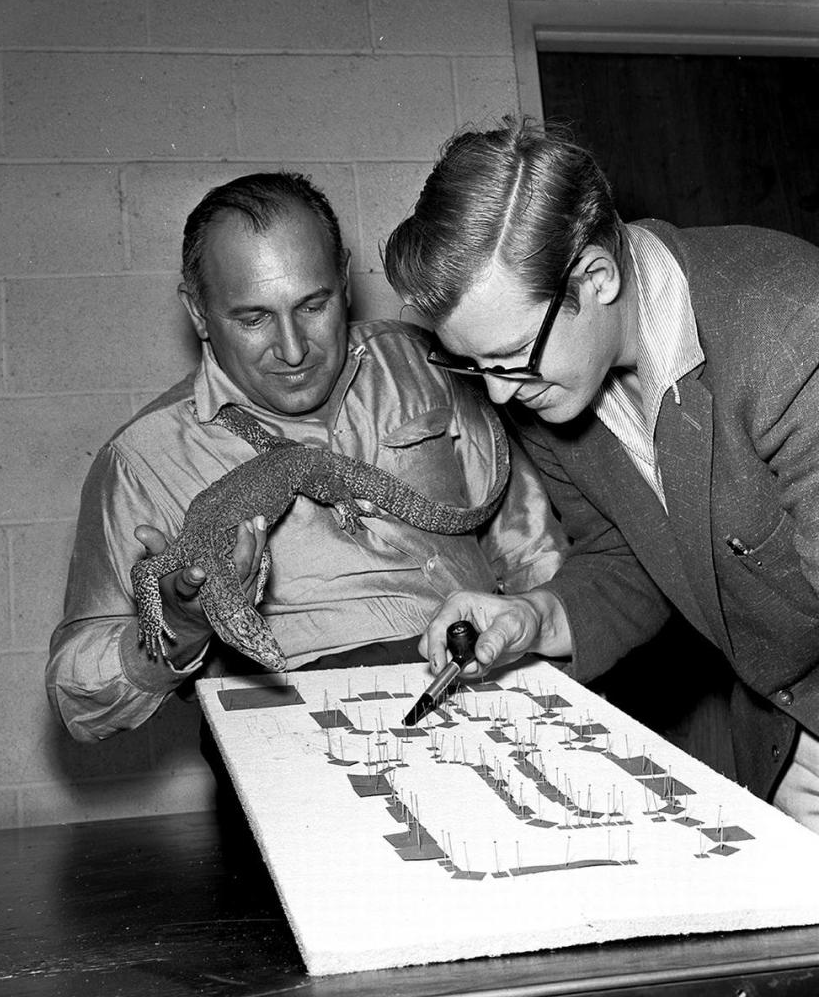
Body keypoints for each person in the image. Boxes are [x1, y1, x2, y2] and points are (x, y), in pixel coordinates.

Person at [382, 115, 819, 829]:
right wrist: (532, 615)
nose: (497, 393)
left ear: (596, 275)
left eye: (514, 355)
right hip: (785, 733)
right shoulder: (551, 388)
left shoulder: (795, 334)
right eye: (476, 364)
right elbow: (631, 558)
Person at [47, 171, 565, 745]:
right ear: (198, 313)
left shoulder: (425, 361)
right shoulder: (141, 458)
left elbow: (531, 550)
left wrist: (563, 665)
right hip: (300, 720)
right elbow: (76, 698)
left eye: (313, 305)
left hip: (488, 678)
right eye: (253, 318)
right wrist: (175, 628)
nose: (293, 350)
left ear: (344, 280)